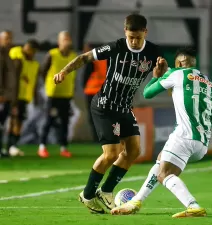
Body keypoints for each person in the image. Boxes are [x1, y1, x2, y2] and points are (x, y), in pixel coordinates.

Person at [53, 14, 166, 214]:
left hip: (124, 108)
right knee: (111, 153)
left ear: (145, 33)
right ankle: (87, 195)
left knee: (133, 151)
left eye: (138, 37)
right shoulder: (116, 47)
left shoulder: (153, 52)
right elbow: (85, 57)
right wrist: (64, 71)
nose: (134, 41)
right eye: (130, 37)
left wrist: (159, 73)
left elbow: (159, 74)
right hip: (105, 106)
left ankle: (105, 191)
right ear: (125, 32)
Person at [111, 47, 212, 218]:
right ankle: (136, 201)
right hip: (202, 144)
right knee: (160, 161)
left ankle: (193, 206)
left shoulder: (177, 74)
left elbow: (147, 93)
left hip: (183, 137)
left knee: (165, 174)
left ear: (178, 63)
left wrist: (156, 76)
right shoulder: (210, 85)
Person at [38, 31, 77, 158]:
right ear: (59, 41)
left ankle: (63, 147)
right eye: (64, 38)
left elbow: (74, 76)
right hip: (53, 94)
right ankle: (42, 146)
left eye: (68, 38)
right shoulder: (52, 54)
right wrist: (49, 84)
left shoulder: (74, 56)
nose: (67, 41)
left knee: (65, 122)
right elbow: (43, 71)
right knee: (48, 120)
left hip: (66, 94)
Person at [6, 39, 40, 156]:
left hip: (24, 97)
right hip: (13, 95)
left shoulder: (34, 64)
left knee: (18, 121)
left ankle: (12, 146)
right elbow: (13, 75)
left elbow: (34, 82)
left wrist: (35, 97)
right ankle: (9, 146)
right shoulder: (16, 54)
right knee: (13, 120)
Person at [82, 43, 107, 142]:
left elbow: (86, 75)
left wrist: (84, 87)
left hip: (91, 91)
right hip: (103, 92)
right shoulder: (107, 60)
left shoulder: (92, 60)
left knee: (93, 116)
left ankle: (96, 139)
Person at [0, 30, 16, 157]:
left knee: (2, 125)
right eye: (6, 38)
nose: (9, 41)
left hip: (7, 96)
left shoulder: (8, 55)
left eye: (10, 38)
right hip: (2, 96)